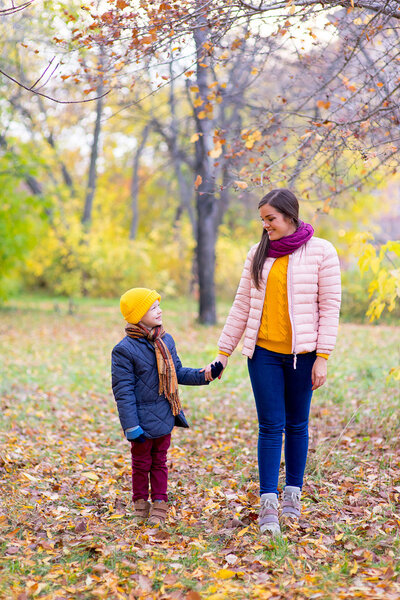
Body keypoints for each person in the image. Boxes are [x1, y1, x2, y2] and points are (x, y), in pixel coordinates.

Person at [206, 189, 341, 536]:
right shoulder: (258, 253)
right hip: (263, 354)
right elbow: (241, 307)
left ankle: (293, 495)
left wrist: (322, 358)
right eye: (263, 220)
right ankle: (268, 503)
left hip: (304, 356)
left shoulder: (322, 252)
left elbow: (329, 308)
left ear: (289, 216)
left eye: (271, 219)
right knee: (270, 425)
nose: (266, 226)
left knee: (297, 424)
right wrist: (223, 354)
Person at [111, 287, 222, 526]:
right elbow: (124, 391)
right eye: (153, 307)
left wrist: (206, 374)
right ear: (138, 314)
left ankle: (160, 504)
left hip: (164, 415)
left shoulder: (166, 340)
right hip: (140, 420)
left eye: (159, 305)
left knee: (160, 462)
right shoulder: (124, 350)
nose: (160, 311)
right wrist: (131, 426)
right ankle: (140, 504)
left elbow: (178, 372)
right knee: (141, 464)